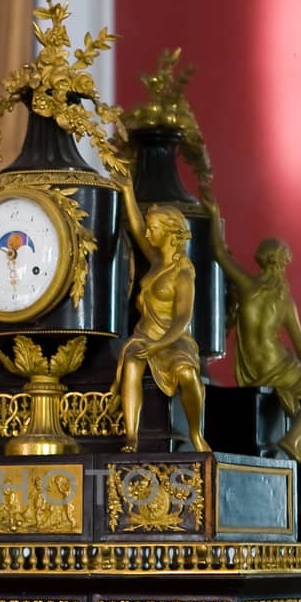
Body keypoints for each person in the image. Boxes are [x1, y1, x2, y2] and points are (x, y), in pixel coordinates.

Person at [215, 232, 301, 463]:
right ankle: (291, 439)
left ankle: (296, 445)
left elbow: (219, 253)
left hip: (253, 371)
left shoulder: (246, 285)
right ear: (282, 263)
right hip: (278, 365)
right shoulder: (284, 301)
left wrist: (213, 213)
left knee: (295, 392)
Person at [111, 183, 210, 454]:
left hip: (174, 339)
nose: (147, 232)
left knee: (187, 374)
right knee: (132, 359)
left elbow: (182, 318)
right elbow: (134, 225)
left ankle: (195, 434)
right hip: (146, 333)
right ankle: (131, 436)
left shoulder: (183, 273)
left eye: (153, 228)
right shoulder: (155, 260)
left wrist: (160, 344)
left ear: (169, 232)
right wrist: (128, 189)